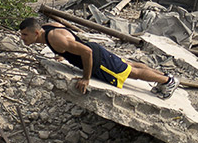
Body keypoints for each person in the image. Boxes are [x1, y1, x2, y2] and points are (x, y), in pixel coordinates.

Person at [18, 16, 178, 98]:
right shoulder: (48, 29)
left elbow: (86, 52)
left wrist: (86, 78)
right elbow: (68, 37)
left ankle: (167, 82)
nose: (22, 38)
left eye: (25, 35)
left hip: (97, 60)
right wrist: (60, 54)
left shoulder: (54, 38)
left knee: (131, 73)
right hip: (97, 51)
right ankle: (165, 77)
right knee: (129, 64)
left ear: (36, 33)